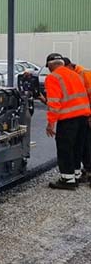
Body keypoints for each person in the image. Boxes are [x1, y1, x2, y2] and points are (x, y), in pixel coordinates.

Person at [44, 53, 91, 190]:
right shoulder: (75, 75)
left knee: (65, 148)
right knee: (77, 147)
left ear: (51, 65)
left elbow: (54, 103)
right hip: (83, 117)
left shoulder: (53, 77)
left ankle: (67, 179)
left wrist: (50, 123)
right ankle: (75, 175)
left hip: (68, 119)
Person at [63, 57, 91, 183]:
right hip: (84, 114)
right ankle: (86, 169)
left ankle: (89, 170)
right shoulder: (78, 73)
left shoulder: (83, 74)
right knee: (84, 143)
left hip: (87, 114)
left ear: (68, 66)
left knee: (87, 144)